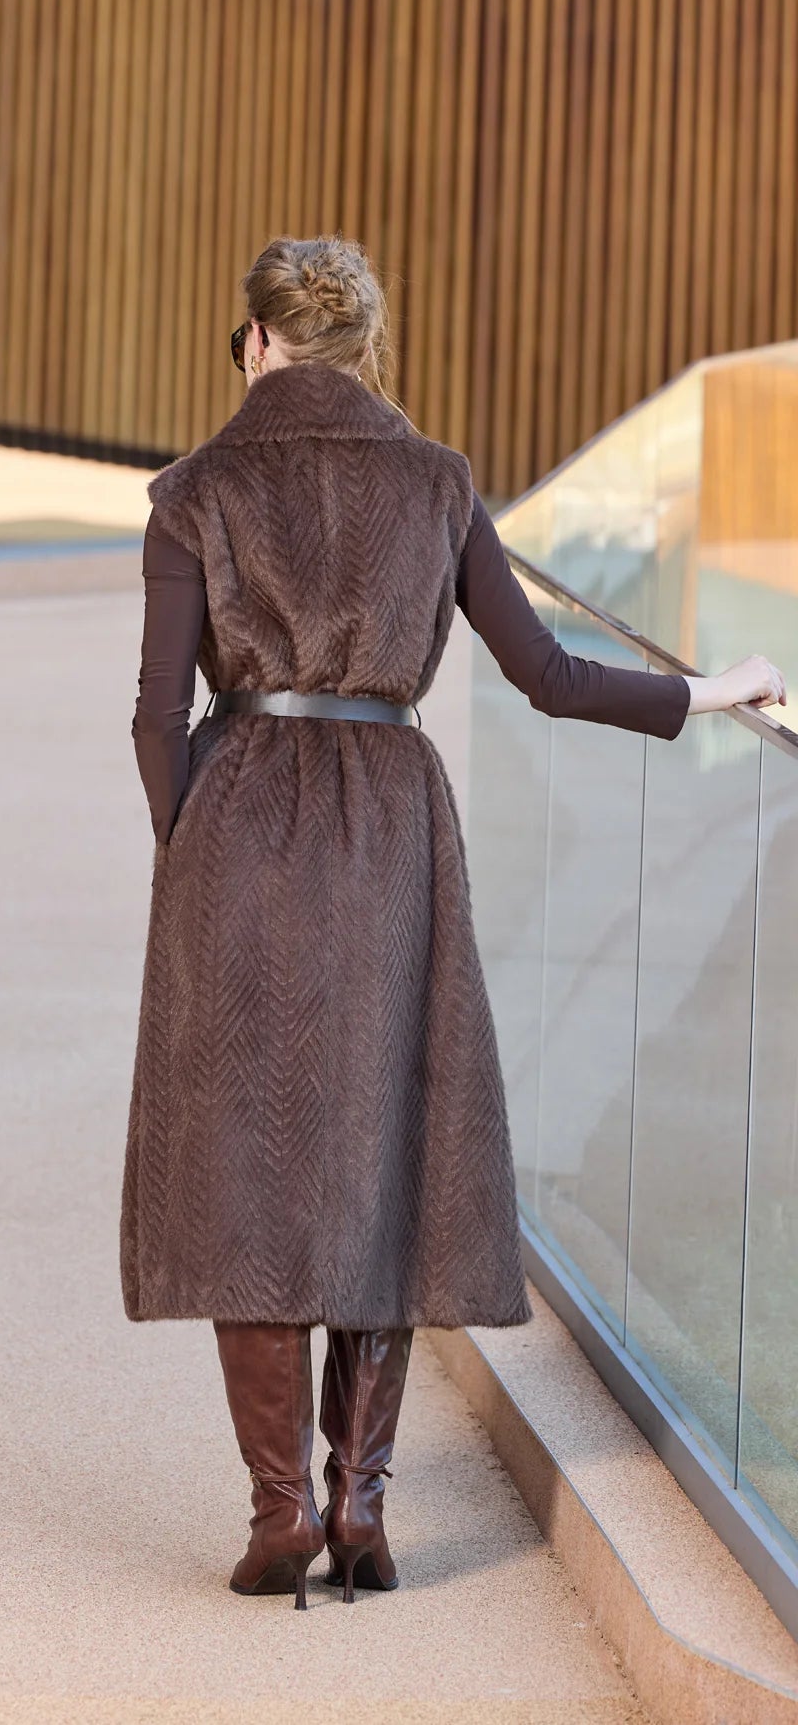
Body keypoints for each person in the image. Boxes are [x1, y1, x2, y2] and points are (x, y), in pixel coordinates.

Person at [121, 233, 787, 1613]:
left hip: (240, 821)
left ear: (259, 342)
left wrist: (195, 839)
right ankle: (361, 1499)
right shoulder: (437, 482)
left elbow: (153, 716)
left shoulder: (197, 490)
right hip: (392, 829)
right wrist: (707, 693)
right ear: (364, 346)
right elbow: (544, 674)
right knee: (383, 1142)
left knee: (247, 1163)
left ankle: (277, 1509)